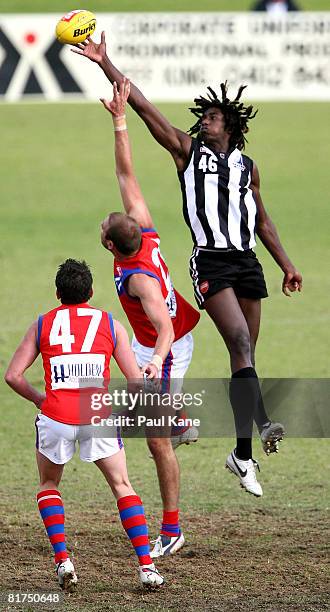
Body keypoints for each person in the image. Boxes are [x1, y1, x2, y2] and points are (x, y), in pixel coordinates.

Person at [73, 35, 302, 498]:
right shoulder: (186, 151)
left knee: (245, 360)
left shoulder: (248, 168)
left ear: (232, 126)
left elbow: (261, 219)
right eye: (204, 116)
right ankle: (261, 423)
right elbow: (144, 107)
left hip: (248, 262)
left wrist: (286, 264)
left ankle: (241, 455)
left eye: (213, 117)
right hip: (211, 262)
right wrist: (106, 64)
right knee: (237, 340)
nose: (204, 120)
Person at [4, 259, 164, 590]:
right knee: (122, 485)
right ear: (91, 292)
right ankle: (147, 567)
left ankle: (63, 560)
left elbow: (12, 376)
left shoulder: (42, 324)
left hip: (56, 416)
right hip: (96, 414)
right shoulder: (110, 324)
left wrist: (39, 399)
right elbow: (135, 382)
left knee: (49, 485)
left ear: (58, 293)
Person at [97, 78, 200, 558]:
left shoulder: (138, 279)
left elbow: (161, 324)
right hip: (158, 344)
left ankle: (172, 528)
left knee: (156, 444)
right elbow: (126, 174)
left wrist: (157, 360)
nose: (105, 220)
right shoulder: (144, 229)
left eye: (105, 227)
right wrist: (119, 121)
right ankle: (176, 415)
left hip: (164, 346)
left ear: (112, 246)